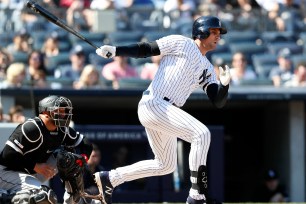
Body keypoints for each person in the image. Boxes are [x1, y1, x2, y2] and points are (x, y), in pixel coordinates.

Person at [95, 15, 231, 204]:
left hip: (164, 111)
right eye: (214, 32)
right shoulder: (181, 43)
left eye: (219, 33)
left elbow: (217, 101)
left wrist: (224, 86)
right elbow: (146, 49)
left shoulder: (207, 68)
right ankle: (197, 196)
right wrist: (117, 51)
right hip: (155, 103)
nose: (218, 36)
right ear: (201, 32)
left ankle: (110, 178)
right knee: (201, 134)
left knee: (164, 165)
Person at [0, 95, 93, 204]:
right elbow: (6, 156)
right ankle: (3, 197)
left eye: (64, 111)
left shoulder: (63, 130)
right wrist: (35, 166)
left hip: (32, 172)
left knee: (68, 158)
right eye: (59, 111)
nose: (63, 114)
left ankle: (72, 196)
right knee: (43, 197)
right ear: (45, 113)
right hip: (7, 172)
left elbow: (85, 143)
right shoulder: (31, 128)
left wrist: (83, 159)